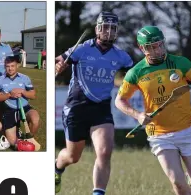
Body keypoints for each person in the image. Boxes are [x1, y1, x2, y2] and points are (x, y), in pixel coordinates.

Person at [115, 26, 191, 195]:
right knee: (177, 183)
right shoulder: (136, 73)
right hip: (158, 134)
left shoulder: (180, 63)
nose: (157, 49)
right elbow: (119, 100)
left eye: (159, 44)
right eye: (151, 47)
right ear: (142, 48)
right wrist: (137, 115)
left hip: (187, 130)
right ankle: (183, 183)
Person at [53, 11, 133, 195]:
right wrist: (58, 65)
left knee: (104, 152)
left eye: (113, 29)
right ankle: (56, 168)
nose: (108, 32)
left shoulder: (121, 56)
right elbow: (58, 60)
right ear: (97, 29)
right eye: (105, 27)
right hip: (76, 107)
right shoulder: (82, 48)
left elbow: (137, 74)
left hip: (101, 108)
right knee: (73, 157)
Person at [0, 56, 40, 144]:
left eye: (12, 66)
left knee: (35, 119)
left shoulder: (25, 78)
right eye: (8, 66)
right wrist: (9, 95)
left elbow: (33, 95)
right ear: (4, 66)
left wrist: (22, 91)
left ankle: (28, 139)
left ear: (17, 66)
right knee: (12, 143)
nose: (10, 68)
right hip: (9, 108)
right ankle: (16, 131)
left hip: (24, 106)